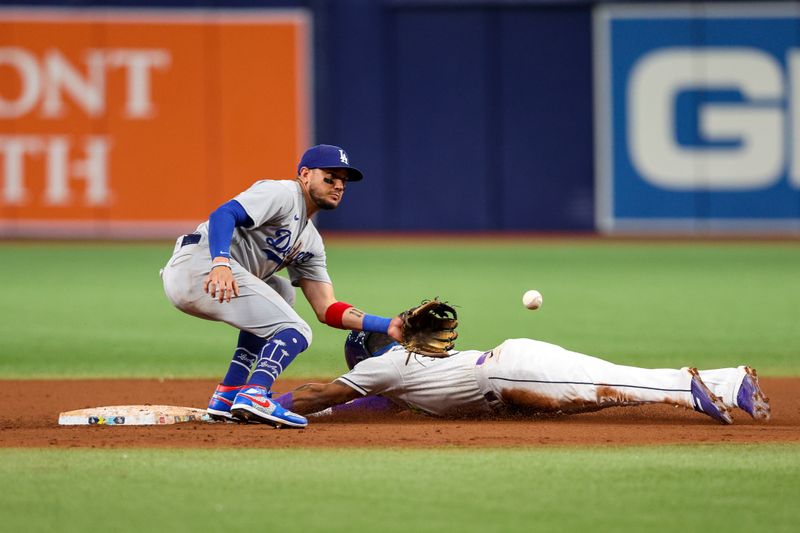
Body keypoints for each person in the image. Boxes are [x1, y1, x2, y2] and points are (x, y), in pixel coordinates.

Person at [161, 145, 403, 428]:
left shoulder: (311, 241)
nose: (338, 185)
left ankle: (229, 393)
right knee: (297, 330)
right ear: (305, 174)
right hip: (198, 266)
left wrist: (388, 325)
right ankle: (256, 393)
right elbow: (223, 214)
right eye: (330, 177)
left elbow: (327, 308)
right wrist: (220, 263)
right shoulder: (283, 193)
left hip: (213, 274)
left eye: (343, 182)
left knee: (282, 292)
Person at [273, 331, 771, 425]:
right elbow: (350, 407)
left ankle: (688, 388)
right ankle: (728, 383)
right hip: (513, 371)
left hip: (510, 372)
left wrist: (264, 405)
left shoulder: (384, 367)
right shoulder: (401, 381)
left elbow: (322, 395)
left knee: (609, 385)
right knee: (610, 386)